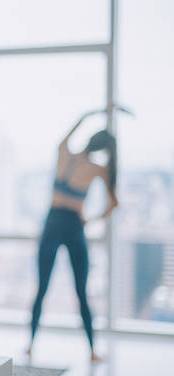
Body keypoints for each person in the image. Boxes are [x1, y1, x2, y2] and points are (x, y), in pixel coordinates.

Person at [28, 108, 119, 362]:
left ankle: (30, 345)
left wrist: (90, 115)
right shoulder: (97, 169)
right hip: (73, 225)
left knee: (42, 287)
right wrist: (90, 219)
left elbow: (66, 136)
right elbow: (114, 203)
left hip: (53, 221)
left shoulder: (65, 155)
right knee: (81, 290)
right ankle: (92, 351)